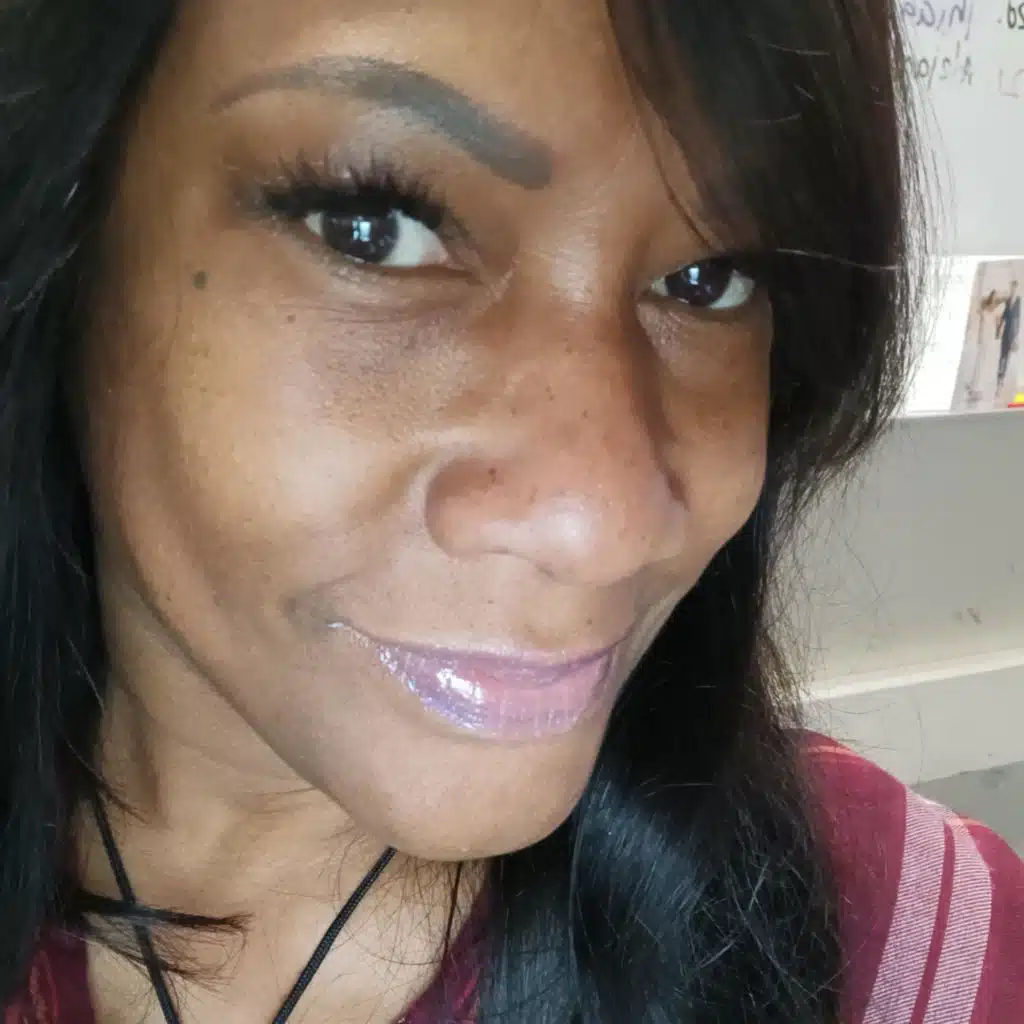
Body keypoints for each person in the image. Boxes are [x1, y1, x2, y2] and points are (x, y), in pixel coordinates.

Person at [0, 2, 1020, 1022]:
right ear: (65, 232)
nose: (604, 525)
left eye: (708, 280)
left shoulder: (917, 954)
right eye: (374, 227)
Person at [996, 279, 1022, 393]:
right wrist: (998, 328)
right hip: (1005, 332)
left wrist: (1016, 336)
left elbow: (1018, 318)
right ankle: (999, 379)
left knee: (1006, 357)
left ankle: (1001, 380)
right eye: (1012, 287)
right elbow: (1004, 315)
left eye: (1014, 288)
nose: (1013, 289)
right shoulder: (1007, 300)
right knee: (1001, 356)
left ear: (1016, 288)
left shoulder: (1018, 301)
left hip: (1012, 333)